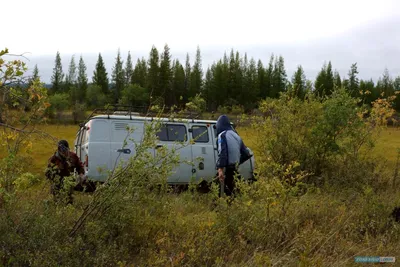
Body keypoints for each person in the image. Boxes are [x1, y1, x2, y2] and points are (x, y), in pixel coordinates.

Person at [216, 115, 252, 197]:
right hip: (235, 168)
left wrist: (220, 168)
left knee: (219, 190)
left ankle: (217, 208)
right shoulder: (237, 136)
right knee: (233, 191)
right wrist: (238, 161)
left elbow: (222, 152)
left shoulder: (222, 135)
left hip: (227, 169)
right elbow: (247, 153)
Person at [45, 140, 85, 204]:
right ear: (59, 149)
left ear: (68, 149)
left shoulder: (73, 156)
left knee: (69, 203)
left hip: (69, 184)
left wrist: (81, 174)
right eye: (61, 150)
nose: (63, 152)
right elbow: (47, 173)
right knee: (57, 203)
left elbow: (79, 166)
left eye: (65, 150)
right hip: (57, 186)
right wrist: (54, 176)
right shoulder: (53, 159)